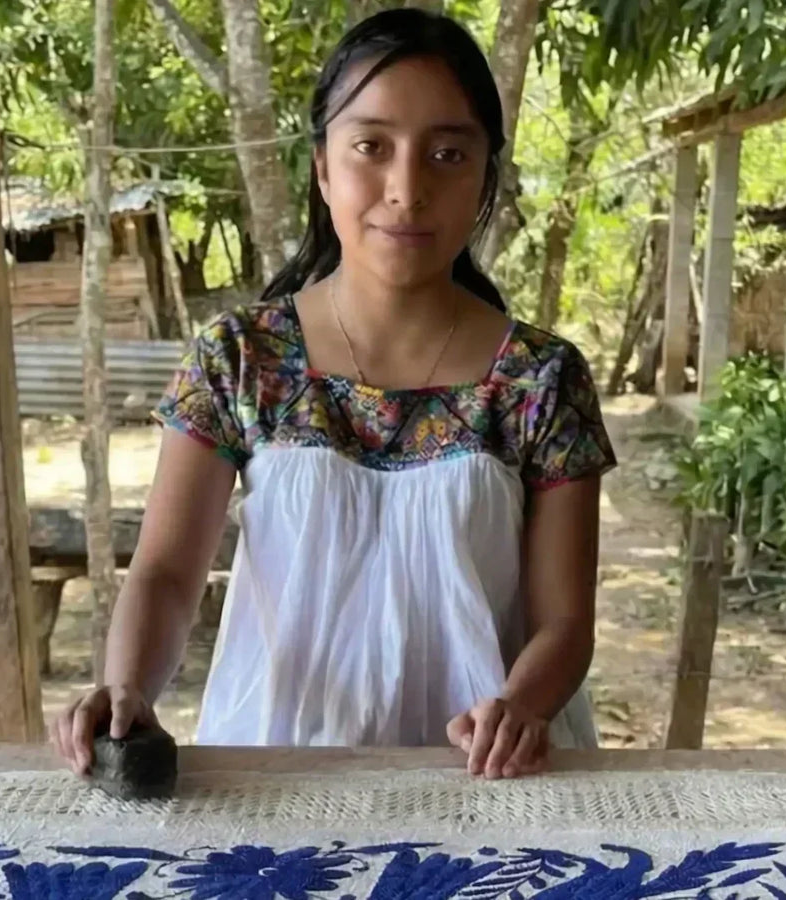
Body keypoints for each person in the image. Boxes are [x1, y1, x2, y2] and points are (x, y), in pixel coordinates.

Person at [51, 8, 614, 781]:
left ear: (487, 173)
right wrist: (125, 689)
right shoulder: (241, 359)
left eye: (448, 153)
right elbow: (166, 574)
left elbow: (564, 621)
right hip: (277, 770)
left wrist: (522, 706)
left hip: (489, 783)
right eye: (370, 147)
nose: (407, 189)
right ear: (322, 167)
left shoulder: (540, 378)